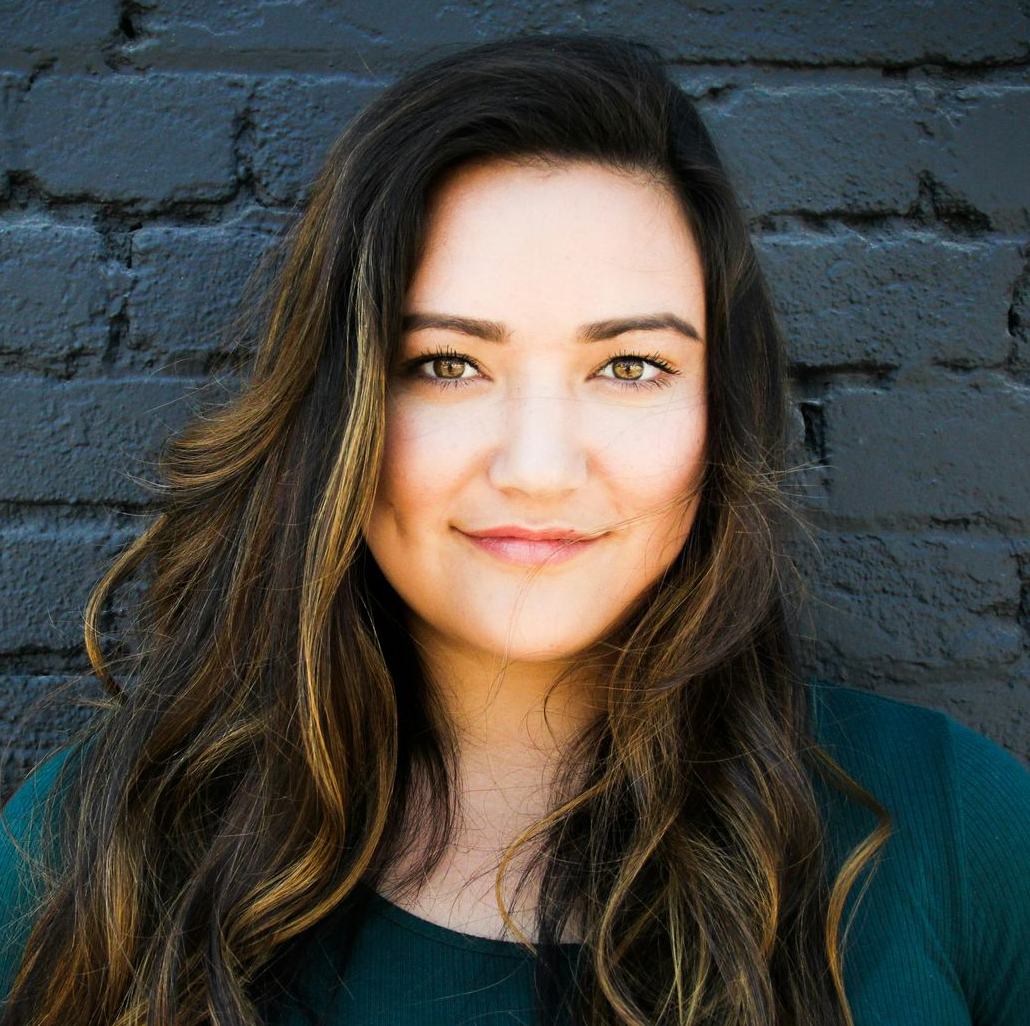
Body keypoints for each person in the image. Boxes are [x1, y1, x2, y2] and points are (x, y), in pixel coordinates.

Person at [1, 30, 1028, 1026]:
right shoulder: (97, 847)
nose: (537, 469)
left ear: (721, 416)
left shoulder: (950, 825)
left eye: (630, 367)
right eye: (447, 365)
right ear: (337, 410)